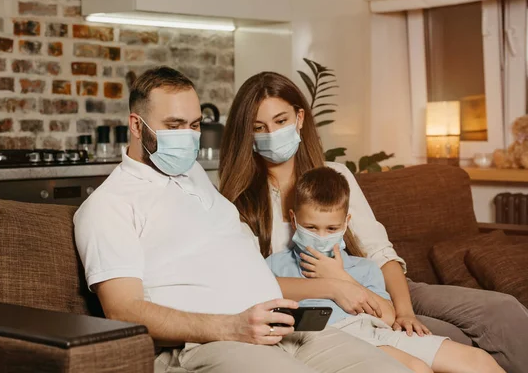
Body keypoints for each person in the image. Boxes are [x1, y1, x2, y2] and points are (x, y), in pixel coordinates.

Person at [73, 66, 410, 373]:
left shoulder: (195, 178)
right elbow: (122, 310)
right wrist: (229, 326)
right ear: (136, 125)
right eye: (174, 126)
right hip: (213, 343)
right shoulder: (109, 205)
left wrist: (333, 288)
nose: (187, 137)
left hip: (284, 330)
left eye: (194, 126)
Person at [218, 71, 528, 373]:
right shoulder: (241, 200)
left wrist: (403, 311)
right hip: (336, 303)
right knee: (444, 340)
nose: (272, 134)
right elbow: (253, 281)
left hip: (377, 282)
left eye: (280, 121)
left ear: (299, 119)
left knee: (502, 310)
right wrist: (333, 285)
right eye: (259, 127)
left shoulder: (335, 175)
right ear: (249, 135)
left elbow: (380, 253)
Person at [267, 166, 504, 373]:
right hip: (331, 337)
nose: (320, 237)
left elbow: (388, 317)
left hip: (377, 332)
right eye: (310, 227)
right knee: (416, 368)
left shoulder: (364, 267)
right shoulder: (276, 265)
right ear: (294, 219)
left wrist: (341, 277)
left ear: (346, 223)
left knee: (479, 361)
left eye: (331, 228)